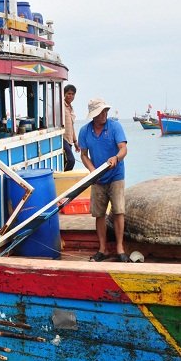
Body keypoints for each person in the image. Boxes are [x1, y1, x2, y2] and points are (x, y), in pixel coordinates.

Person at [78, 98, 129, 262]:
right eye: (100, 112)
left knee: (118, 211)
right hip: (98, 178)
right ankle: (102, 249)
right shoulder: (84, 131)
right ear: (93, 115)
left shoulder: (115, 126)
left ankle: (120, 248)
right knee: (99, 213)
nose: (104, 114)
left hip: (116, 175)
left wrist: (116, 158)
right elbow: (83, 155)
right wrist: (92, 170)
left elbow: (123, 148)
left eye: (105, 111)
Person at [63, 84, 79, 171]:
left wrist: (75, 141)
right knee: (71, 160)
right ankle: (64, 178)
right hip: (63, 138)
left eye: (73, 94)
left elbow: (71, 126)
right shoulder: (61, 106)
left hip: (69, 140)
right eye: (69, 93)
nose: (70, 96)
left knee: (65, 161)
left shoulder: (71, 108)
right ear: (64, 94)